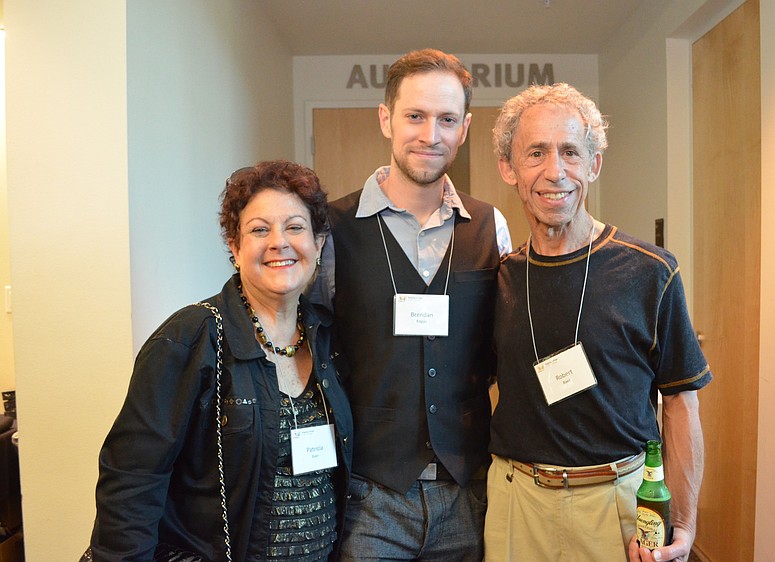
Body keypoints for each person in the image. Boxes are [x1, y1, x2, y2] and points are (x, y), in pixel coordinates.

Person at [484, 83, 711, 562]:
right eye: (536, 153)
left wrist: (684, 524)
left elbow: (680, 403)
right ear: (509, 168)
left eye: (571, 151)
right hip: (516, 503)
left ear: (594, 164)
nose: (555, 171)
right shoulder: (499, 278)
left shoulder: (650, 272)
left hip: (619, 505)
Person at [88, 160, 352, 561]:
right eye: (259, 229)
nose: (279, 242)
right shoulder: (191, 337)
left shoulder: (327, 339)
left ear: (318, 243)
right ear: (235, 247)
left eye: (295, 227)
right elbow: (131, 481)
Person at [312, 49, 511, 561]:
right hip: (369, 496)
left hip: (467, 491)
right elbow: (311, 348)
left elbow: (505, 345)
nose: (430, 135)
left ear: (464, 129)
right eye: (415, 116)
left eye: (446, 119)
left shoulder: (491, 227)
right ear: (386, 119)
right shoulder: (332, 229)